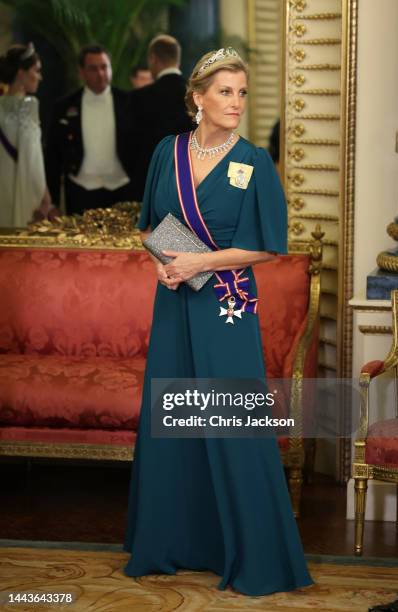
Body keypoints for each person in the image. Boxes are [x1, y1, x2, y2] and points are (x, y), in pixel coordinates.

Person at [123, 48, 313, 596]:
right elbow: (148, 226)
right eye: (225, 92)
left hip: (226, 305)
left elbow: (267, 247)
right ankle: (176, 542)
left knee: (232, 428)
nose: (235, 102)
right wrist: (166, 265)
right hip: (177, 300)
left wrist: (199, 262)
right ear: (197, 98)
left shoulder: (253, 162)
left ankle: (254, 551)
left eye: (242, 92)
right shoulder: (168, 152)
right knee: (175, 426)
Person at [45, 44, 136, 215]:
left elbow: (141, 151)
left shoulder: (130, 102)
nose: (100, 73)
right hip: (80, 190)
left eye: (104, 67)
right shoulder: (64, 107)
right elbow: (52, 157)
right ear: (81, 72)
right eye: (93, 69)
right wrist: (53, 203)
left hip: (122, 190)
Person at [129, 34, 193, 201]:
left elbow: (128, 148)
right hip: (187, 190)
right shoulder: (197, 97)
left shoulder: (138, 98)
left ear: (153, 59)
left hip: (148, 189)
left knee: (156, 229)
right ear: (177, 60)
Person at [0, 43, 53, 227]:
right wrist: (45, 196)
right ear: (21, 73)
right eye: (36, 70)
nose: (40, 76)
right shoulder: (29, 105)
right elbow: (33, 159)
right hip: (24, 190)